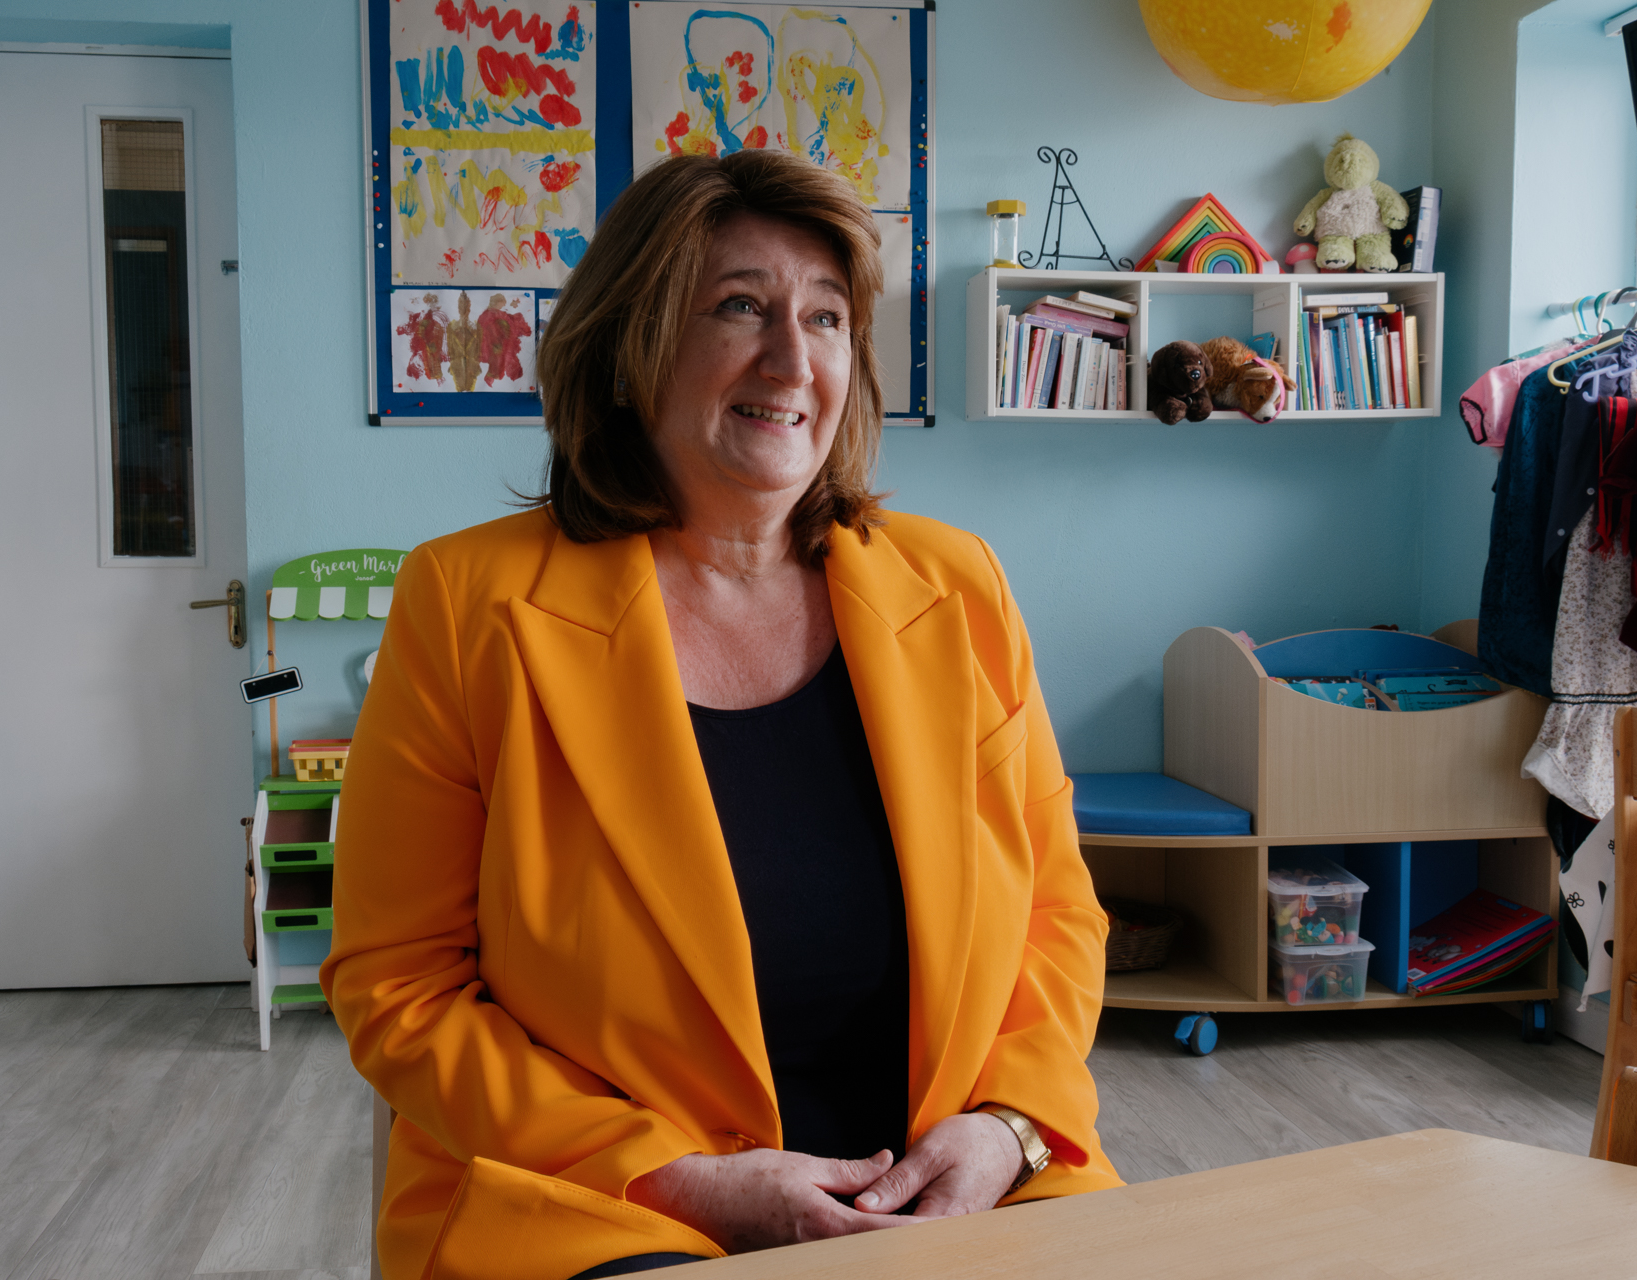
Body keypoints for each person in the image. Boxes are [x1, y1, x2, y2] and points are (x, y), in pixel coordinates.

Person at [322, 150, 1121, 1280]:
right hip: (613, 1205)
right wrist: (675, 1176)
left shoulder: (959, 585)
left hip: (962, 1194)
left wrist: (1011, 1126)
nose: (793, 359)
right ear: (629, 346)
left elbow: (1057, 911)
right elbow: (397, 983)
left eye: (828, 317)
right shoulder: (468, 603)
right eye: (740, 306)